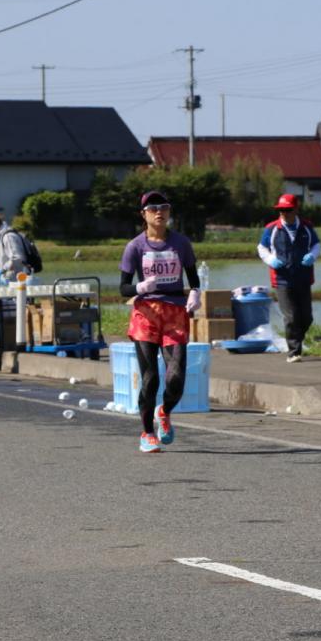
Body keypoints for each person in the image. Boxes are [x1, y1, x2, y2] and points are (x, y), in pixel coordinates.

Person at [119, 191, 200, 453]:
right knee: (150, 378)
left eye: (164, 207)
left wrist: (196, 294)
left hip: (175, 311)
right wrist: (140, 287)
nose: (159, 212)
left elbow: (193, 277)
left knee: (176, 377)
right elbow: (123, 288)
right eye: (153, 208)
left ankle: (163, 411)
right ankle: (146, 433)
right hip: (146, 313)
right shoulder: (135, 247)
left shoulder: (181, 243)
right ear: (143, 214)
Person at [257, 194, 321, 363]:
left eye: (287, 210)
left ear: (295, 210)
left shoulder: (306, 227)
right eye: (281, 210)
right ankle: (294, 351)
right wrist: (270, 260)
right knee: (291, 316)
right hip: (282, 279)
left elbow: (316, 245)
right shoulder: (272, 229)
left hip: (303, 277)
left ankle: (296, 338)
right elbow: (262, 248)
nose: (284, 213)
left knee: (306, 317)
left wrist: (312, 256)